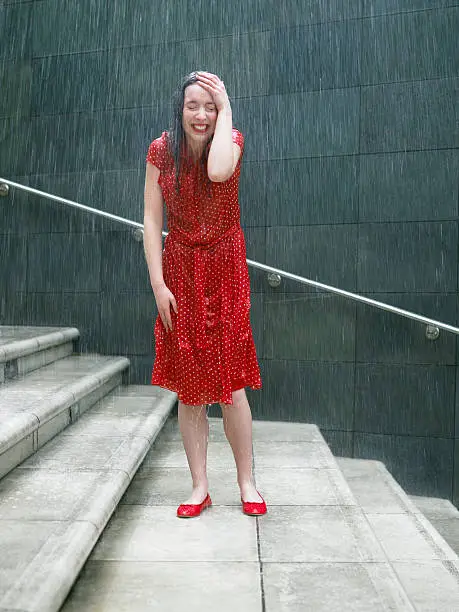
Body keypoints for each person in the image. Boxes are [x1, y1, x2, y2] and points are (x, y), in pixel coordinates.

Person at [143, 71, 266, 518]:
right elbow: (152, 221)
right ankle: (199, 487)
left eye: (209, 107)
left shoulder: (230, 140)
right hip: (181, 271)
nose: (201, 115)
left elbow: (217, 171)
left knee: (231, 384)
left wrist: (228, 105)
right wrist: (159, 284)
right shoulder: (161, 151)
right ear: (180, 109)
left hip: (226, 267)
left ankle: (246, 482)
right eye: (193, 105)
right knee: (190, 390)